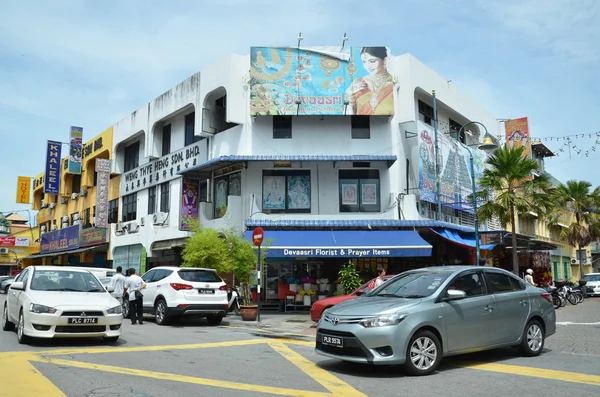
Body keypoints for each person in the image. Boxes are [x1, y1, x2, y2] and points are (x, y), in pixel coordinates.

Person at [345, 47, 394, 115]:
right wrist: (350, 98)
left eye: (372, 61)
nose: (368, 66)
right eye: (364, 62)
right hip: (362, 124)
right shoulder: (358, 83)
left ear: (384, 60)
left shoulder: (394, 83)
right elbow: (349, 118)